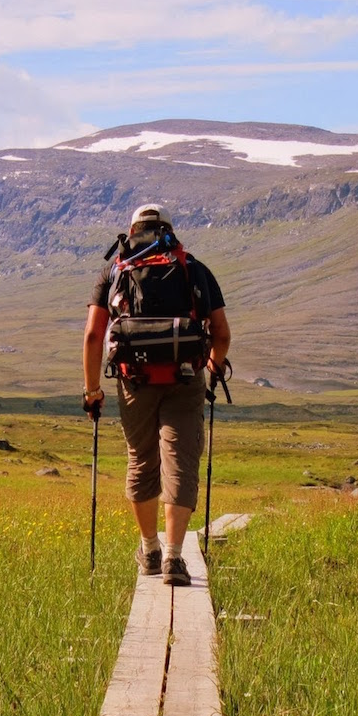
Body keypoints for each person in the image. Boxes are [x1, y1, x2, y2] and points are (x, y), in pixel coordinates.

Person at [82, 204, 232, 585]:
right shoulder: (193, 269)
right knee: (180, 463)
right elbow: (222, 332)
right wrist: (213, 366)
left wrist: (93, 391)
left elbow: (93, 336)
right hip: (186, 380)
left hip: (134, 382)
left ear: (132, 230)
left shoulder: (115, 271)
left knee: (141, 461)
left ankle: (149, 550)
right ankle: (174, 559)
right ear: (169, 229)